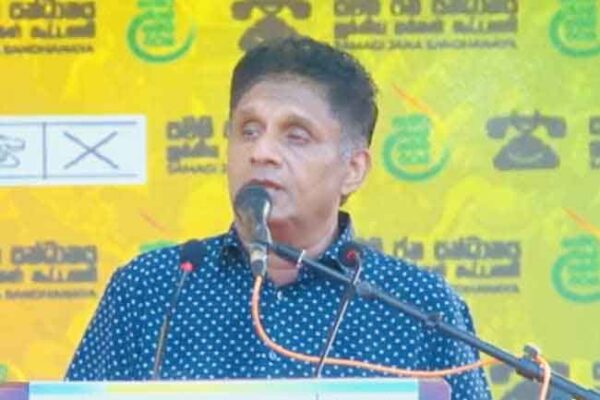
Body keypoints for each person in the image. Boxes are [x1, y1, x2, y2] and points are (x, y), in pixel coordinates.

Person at [66, 36, 491, 399]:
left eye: (295, 136)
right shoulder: (151, 289)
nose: (261, 152)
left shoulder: (418, 306)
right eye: (248, 130)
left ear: (353, 169)